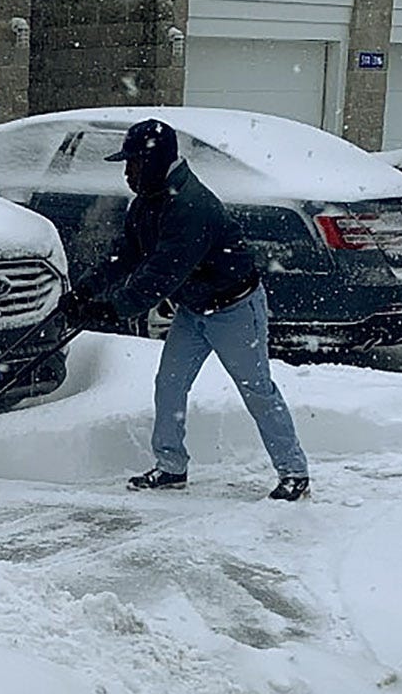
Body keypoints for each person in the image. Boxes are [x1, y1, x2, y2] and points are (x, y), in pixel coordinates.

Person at [64, 118, 310, 501]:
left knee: (257, 390)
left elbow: (161, 273)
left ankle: (294, 472)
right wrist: (84, 290)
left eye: (133, 164)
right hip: (194, 310)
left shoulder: (191, 207)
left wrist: (114, 309)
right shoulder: (149, 199)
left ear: (156, 162)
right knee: (170, 383)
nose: (127, 173)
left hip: (235, 310)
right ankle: (171, 467)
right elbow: (127, 254)